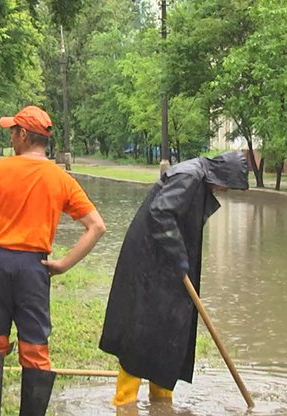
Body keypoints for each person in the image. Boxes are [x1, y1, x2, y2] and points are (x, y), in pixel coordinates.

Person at [0, 105, 106, 416]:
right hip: (34, 268)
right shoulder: (61, 179)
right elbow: (96, 226)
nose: (10, 135)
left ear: (22, 135)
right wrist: (63, 264)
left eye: (12, 130)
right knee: (35, 346)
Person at [99, 151, 248, 407]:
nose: (225, 191)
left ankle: (161, 403)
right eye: (229, 185)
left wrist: (180, 262)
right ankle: (124, 404)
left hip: (165, 266)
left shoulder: (197, 177)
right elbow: (161, 213)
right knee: (142, 333)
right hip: (150, 264)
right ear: (222, 176)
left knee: (169, 330)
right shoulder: (189, 176)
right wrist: (180, 258)